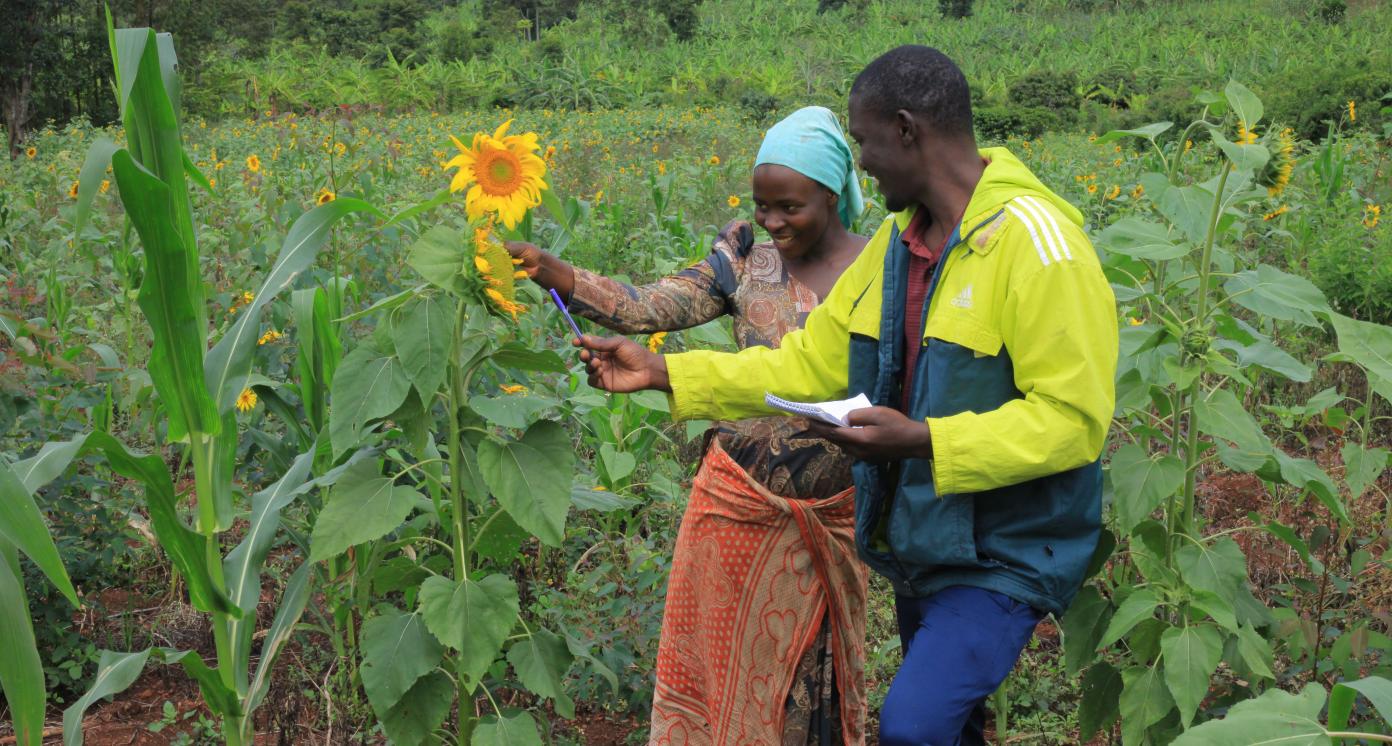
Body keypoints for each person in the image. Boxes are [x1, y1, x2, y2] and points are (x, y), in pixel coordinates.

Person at [575, 46, 1119, 746]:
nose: (859, 163)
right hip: (923, 537)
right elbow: (808, 363)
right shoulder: (897, 245)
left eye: (863, 141)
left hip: (1008, 550)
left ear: (905, 129)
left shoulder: (1039, 246)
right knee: (954, 727)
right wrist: (660, 373)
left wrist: (921, 441)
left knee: (913, 728)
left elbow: (1073, 423)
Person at [508, 106, 872, 745]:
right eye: (763, 205)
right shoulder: (744, 263)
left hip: (831, 515)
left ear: (833, 192)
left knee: (811, 685)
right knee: (723, 670)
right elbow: (649, 305)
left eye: (790, 206)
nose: (773, 221)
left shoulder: (882, 272)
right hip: (738, 509)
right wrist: (552, 271)